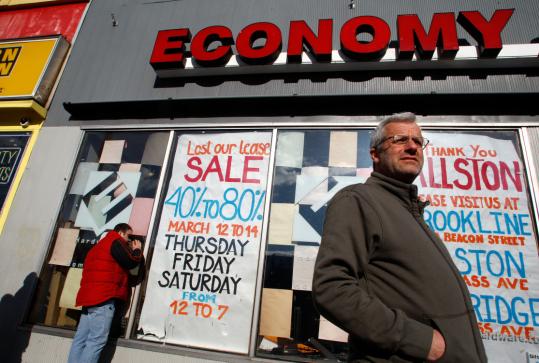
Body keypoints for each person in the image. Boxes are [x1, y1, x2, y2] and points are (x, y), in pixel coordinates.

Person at [312, 113, 487, 362]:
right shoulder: (358, 200)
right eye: (400, 139)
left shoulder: (409, 210)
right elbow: (331, 289)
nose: (412, 146)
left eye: (418, 141)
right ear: (375, 154)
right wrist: (420, 341)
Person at [67, 223, 145, 363]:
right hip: (103, 298)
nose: (130, 240)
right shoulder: (115, 241)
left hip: (89, 299)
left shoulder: (99, 246)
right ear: (120, 232)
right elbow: (131, 262)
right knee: (97, 341)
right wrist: (137, 250)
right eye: (129, 236)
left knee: (81, 339)